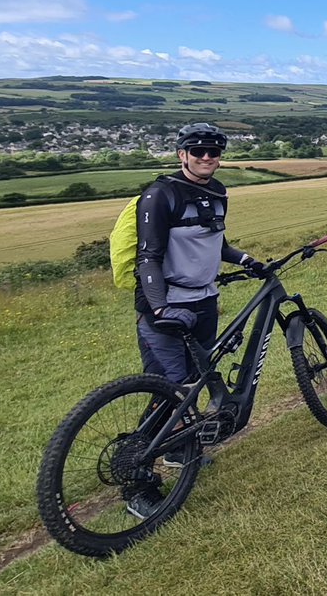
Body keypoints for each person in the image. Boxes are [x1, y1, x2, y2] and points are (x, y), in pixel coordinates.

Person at [128, 122, 262, 517]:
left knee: (191, 384)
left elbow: (216, 242)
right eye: (198, 151)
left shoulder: (217, 192)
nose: (206, 157)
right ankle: (136, 481)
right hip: (167, 306)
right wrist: (159, 308)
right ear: (181, 155)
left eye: (213, 152)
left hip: (204, 302)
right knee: (168, 390)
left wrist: (246, 260)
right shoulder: (159, 195)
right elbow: (147, 257)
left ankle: (175, 451)